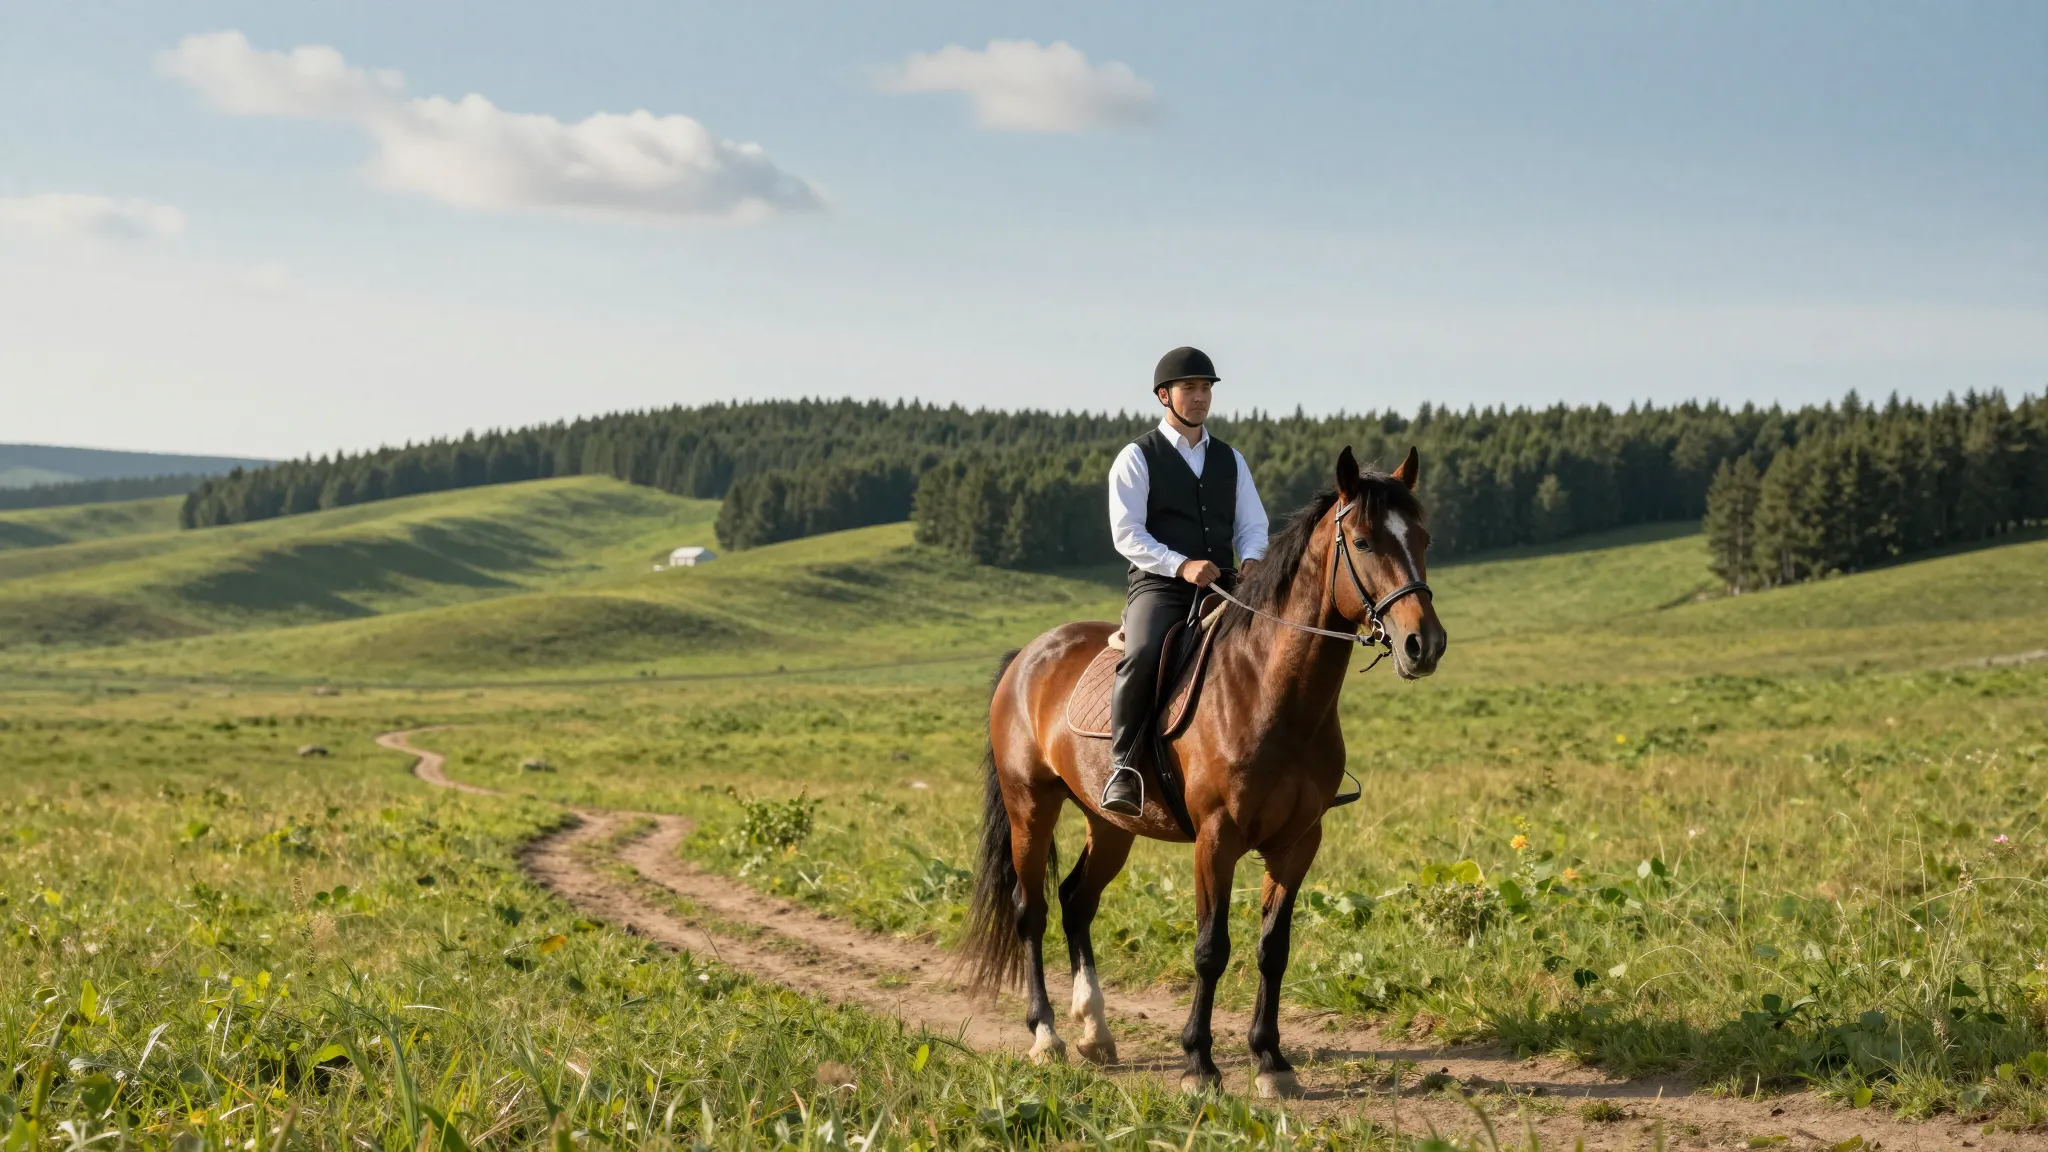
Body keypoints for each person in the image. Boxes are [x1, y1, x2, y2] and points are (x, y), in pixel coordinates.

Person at [1100, 346, 1269, 817]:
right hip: (1160, 585)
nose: (1199, 397)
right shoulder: (1137, 457)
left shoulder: (1231, 459)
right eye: (1189, 388)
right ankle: (1124, 767)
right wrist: (1180, 564)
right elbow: (1127, 533)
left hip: (1225, 583)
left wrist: (1252, 559)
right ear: (1164, 396)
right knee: (1143, 653)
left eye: (1206, 388)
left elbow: (1252, 524)